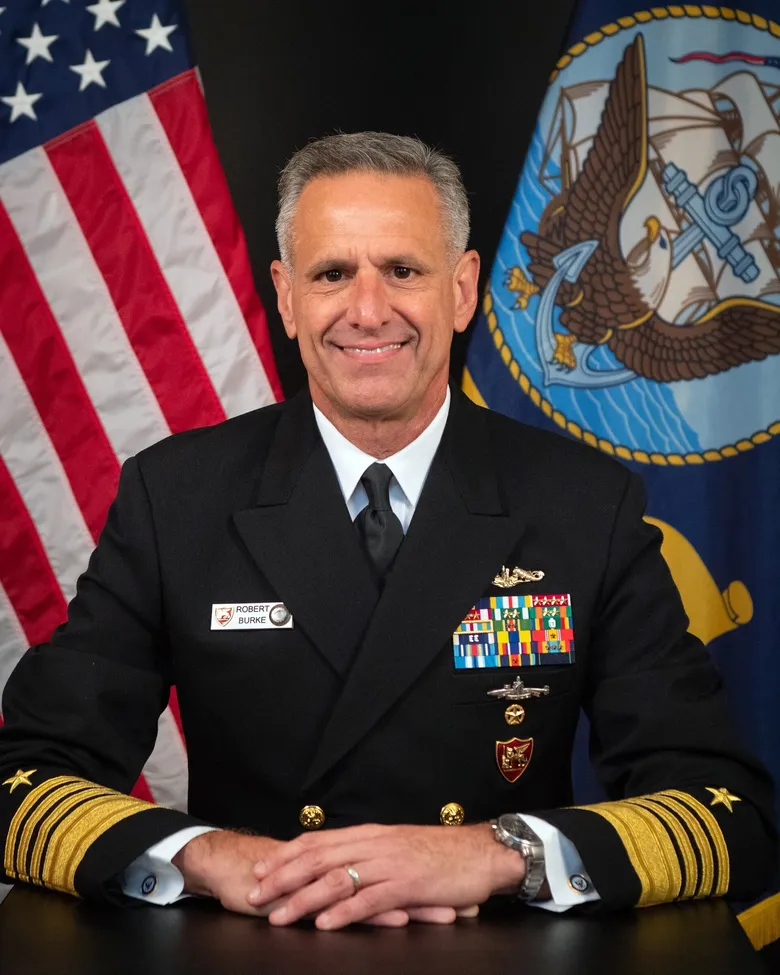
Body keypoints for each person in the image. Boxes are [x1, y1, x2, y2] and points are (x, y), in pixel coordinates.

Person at [0, 132, 775, 931]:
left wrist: (501, 852)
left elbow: (725, 807)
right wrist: (205, 855)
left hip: (494, 948)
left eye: (403, 271)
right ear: (287, 297)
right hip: (257, 941)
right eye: (332, 274)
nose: (368, 310)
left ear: (464, 288)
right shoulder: (178, 498)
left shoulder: (584, 503)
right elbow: (24, 777)